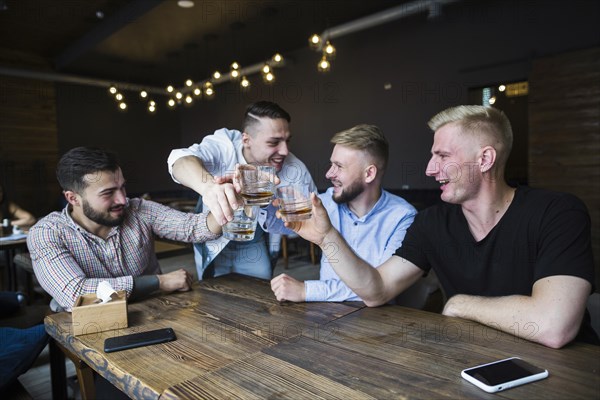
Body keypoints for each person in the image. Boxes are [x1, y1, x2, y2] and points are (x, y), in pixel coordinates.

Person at [281, 105, 596, 349]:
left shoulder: (557, 212)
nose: (431, 169)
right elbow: (376, 291)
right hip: (476, 360)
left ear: (485, 159)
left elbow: (555, 326)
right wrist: (326, 237)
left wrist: (460, 304)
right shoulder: (432, 223)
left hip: (568, 369)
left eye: (442, 155)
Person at [27, 147, 223, 311]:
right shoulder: (47, 232)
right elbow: (76, 294)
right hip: (88, 325)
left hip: (153, 311)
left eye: (122, 187)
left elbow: (195, 228)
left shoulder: (138, 210)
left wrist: (227, 201)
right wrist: (159, 282)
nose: (122, 199)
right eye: (108, 193)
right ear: (73, 198)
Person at [167, 101, 316, 280]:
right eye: (274, 142)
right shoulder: (225, 145)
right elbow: (179, 160)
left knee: (259, 296)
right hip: (214, 238)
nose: (285, 151)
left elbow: (307, 224)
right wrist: (210, 188)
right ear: (246, 140)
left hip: (256, 245)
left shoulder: (295, 170)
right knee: (211, 295)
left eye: (287, 140)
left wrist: (274, 204)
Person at [269, 124, 418, 302]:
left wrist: (306, 291)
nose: (328, 174)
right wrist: (254, 200)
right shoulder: (325, 203)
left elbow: (376, 289)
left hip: (379, 323)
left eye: (339, 166)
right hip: (325, 316)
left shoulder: (403, 217)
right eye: (331, 164)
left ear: (369, 173)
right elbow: (279, 224)